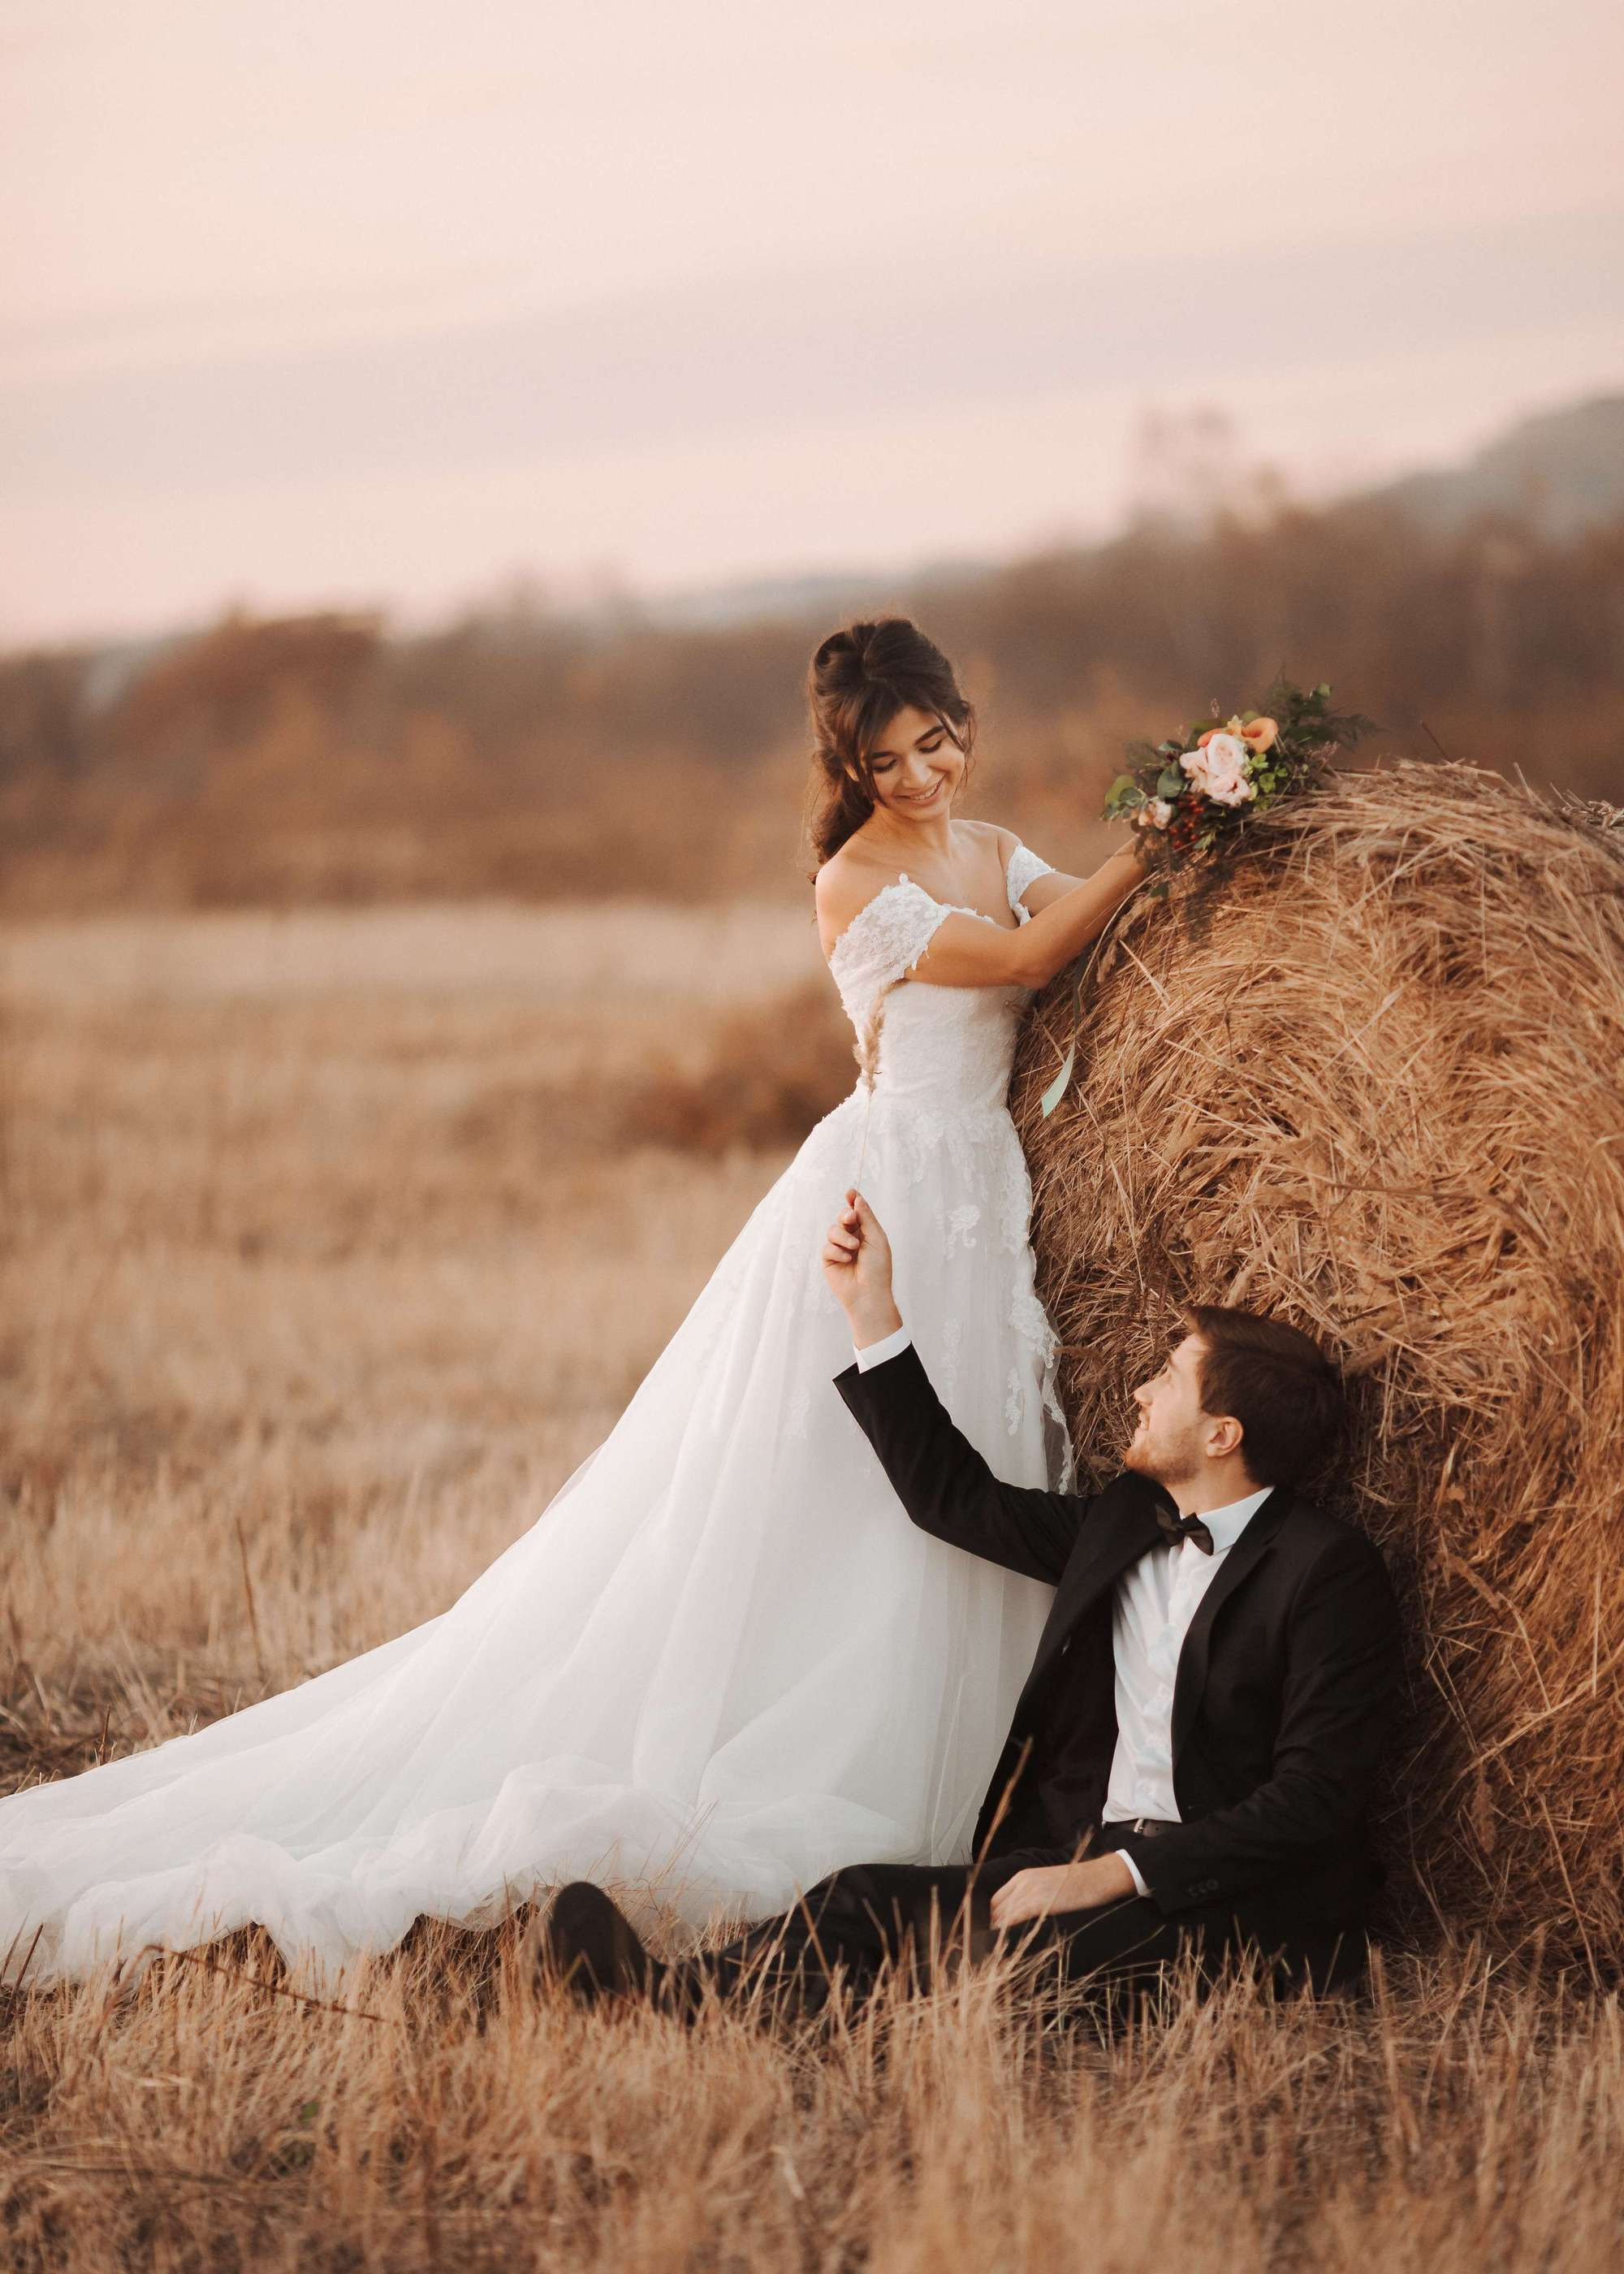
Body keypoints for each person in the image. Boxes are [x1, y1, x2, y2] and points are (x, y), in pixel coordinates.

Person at [0, 617, 1149, 1993]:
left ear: (966, 719)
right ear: (848, 766)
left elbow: (1085, 916)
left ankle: (994, 1771)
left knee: (983, 1464)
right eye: (888, 758)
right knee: (856, 1498)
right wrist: (1175, 823)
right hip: (895, 1193)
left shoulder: (991, 843)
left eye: (938, 740)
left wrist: (1197, 858)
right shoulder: (856, 883)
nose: (923, 775)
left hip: (987, 1186)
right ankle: (857, 1770)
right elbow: (1030, 963)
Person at [538, 1186, 1407, 2017]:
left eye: (1169, 1380)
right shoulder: (1122, 1526)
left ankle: (713, 2015)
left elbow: (1311, 1800)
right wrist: (870, 1310)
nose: (1139, 1392)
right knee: (860, 1895)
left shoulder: (1324, 1570)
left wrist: (1116, 1874)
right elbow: (951, 1500)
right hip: (1081, 1854)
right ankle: (660, 1997)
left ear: (1223, 1435)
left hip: (1235, 1904)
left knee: (995, 1970)